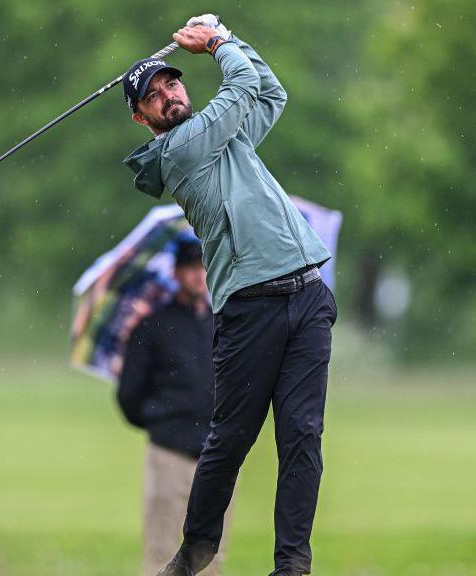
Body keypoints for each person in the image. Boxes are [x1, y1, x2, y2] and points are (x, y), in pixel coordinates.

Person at [121, 15, 337, 576]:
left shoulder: (225, 136)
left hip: (308, 294)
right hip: (249, 306)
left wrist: (232, 43)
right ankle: (194, 553)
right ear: (141, 117)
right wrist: (217, 40)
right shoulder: (179, 151)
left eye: (172, 83)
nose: (168, 95)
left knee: (303, 436)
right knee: (231, 441)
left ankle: (292, 562)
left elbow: (270, 91)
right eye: (153, 95)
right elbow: (241, 89)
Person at [117, 240, 233, 576]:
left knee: (212, 558)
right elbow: (129, 396)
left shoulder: (226, 325)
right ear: (177, 273)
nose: (199, 275)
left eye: (204, 267)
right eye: (191, 268)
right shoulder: (151, 326)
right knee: (162, 551)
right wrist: (163, 422)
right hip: (169, 454)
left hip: (219, 456)